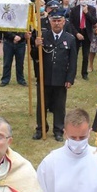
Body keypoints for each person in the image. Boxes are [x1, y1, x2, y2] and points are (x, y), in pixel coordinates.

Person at [38, 108, 97, 192]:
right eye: (73, 137)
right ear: (65, 133)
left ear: (89, 132)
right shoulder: (49, 164)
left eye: (82, 137)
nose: (78, 141)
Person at [31, 8, 77, 141]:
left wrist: (70, 79)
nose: (56, 23)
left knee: (59, 106)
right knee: (42, 105)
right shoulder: (43, 36)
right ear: (50, 22)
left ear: (64, 22)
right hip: (44, 76)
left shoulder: (70, 39)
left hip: (61, 78)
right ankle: (40, 128)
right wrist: (35, 45)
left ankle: (58, 129)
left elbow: (73, 61)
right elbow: (34, 56)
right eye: (54, 21)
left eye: (59, 21)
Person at [69, 0, 97, 81]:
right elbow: (70, 23)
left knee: (85, 55)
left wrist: (87, 13)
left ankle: (84, 73)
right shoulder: (74, 9)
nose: (84, 1)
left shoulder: (92, 9)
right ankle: (72, 74)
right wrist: (76, 33)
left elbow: (94, 21)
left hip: (86, 33)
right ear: (79, 0)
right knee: (74, 54)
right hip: (76, 33)